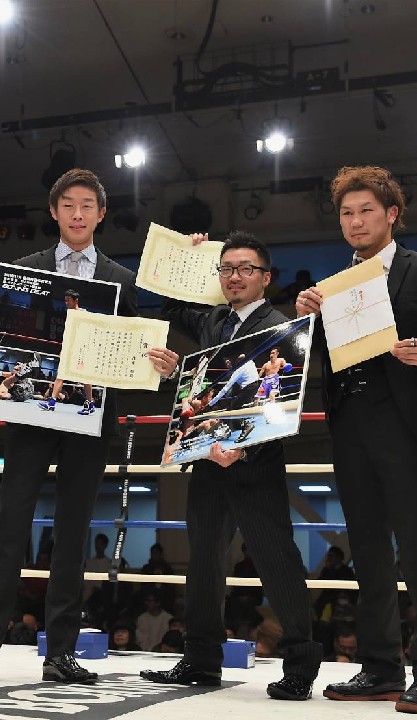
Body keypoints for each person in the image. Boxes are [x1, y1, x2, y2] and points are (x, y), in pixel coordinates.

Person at [0, 168, 178, 685]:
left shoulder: (121, 279)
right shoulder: (22, 269)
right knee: (10, 529)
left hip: (89, 419)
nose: (78, 214)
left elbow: (134, 350)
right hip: (30, 416)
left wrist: (158, 365)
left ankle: (60, 653)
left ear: (101, 214)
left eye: (87, 206)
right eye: (68, 205)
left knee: (73, 535)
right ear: (54, 212)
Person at [296, 165, 417, 714]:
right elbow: (327, 359)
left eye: (366, 210)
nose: (356, 221)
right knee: (366, 550)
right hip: (350, 425)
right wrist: (307, 321)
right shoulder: (333, 285)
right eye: (347, 213)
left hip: (405, 424)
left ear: (392, 214)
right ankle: (381, 667)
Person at [141, 231, 322, 701]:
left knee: (276, 559)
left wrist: (244, 449)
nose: (234, 277)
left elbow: (284, 398)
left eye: (245, 269)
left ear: (265, 277)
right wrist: (188, 253)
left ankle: (300, 666)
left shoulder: (282, 325)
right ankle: (201, 661)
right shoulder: (214, 320)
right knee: (203, 560)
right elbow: (171, 305)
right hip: (207, 458)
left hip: (255, 461)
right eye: (226, 268)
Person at [39, 290, 96, 414]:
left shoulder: (84, 313)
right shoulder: (69, 314)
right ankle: (52, 402)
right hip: (70, 349)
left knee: (85, 377)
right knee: (61, 374)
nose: (66, 303)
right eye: (65, 300)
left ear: (76, 301)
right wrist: (63, 349)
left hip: (81, 350)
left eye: (68, 300)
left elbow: (88, 332)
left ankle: (90, 403)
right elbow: (69, 335)